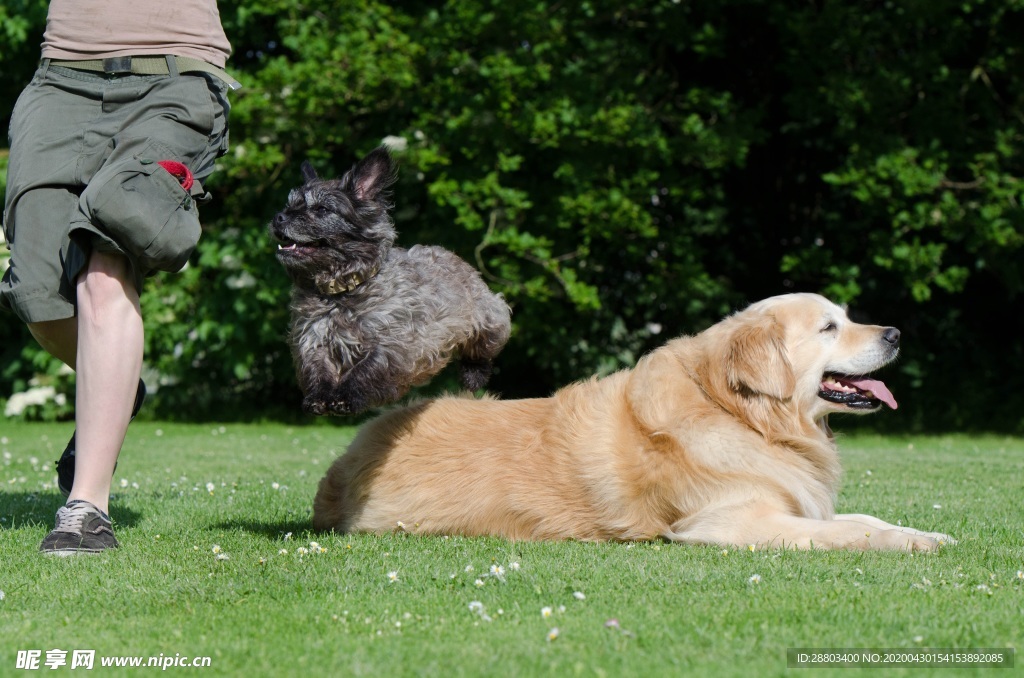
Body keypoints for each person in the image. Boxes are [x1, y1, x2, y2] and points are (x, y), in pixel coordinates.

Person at [0, 0, 240, 555]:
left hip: (175, 81)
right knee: (37, 292)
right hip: (60, 83)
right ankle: (117, 386)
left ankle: (87, 509)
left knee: (105, 268)